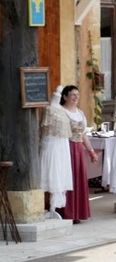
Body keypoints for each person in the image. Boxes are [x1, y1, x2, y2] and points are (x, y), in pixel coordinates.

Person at [60, 85, 99, 223]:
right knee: (67, 179)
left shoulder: (80, 113)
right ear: (65, 97)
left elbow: (83, 135)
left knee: (78, 180)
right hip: (65, 148)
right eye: (73, 95)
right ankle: (66, 212)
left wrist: (91, 152)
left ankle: (77, 213)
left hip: (78, 150)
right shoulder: (61, 112)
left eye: (77, 94)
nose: (76, 97)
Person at [40, 86, 73, 217]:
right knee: (50, 173)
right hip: (51, 144)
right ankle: (47, 206)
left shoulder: (62, 110)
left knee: (59, 172)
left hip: (61, 146)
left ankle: (54, 207)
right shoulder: (49, 109)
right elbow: (44, 129)